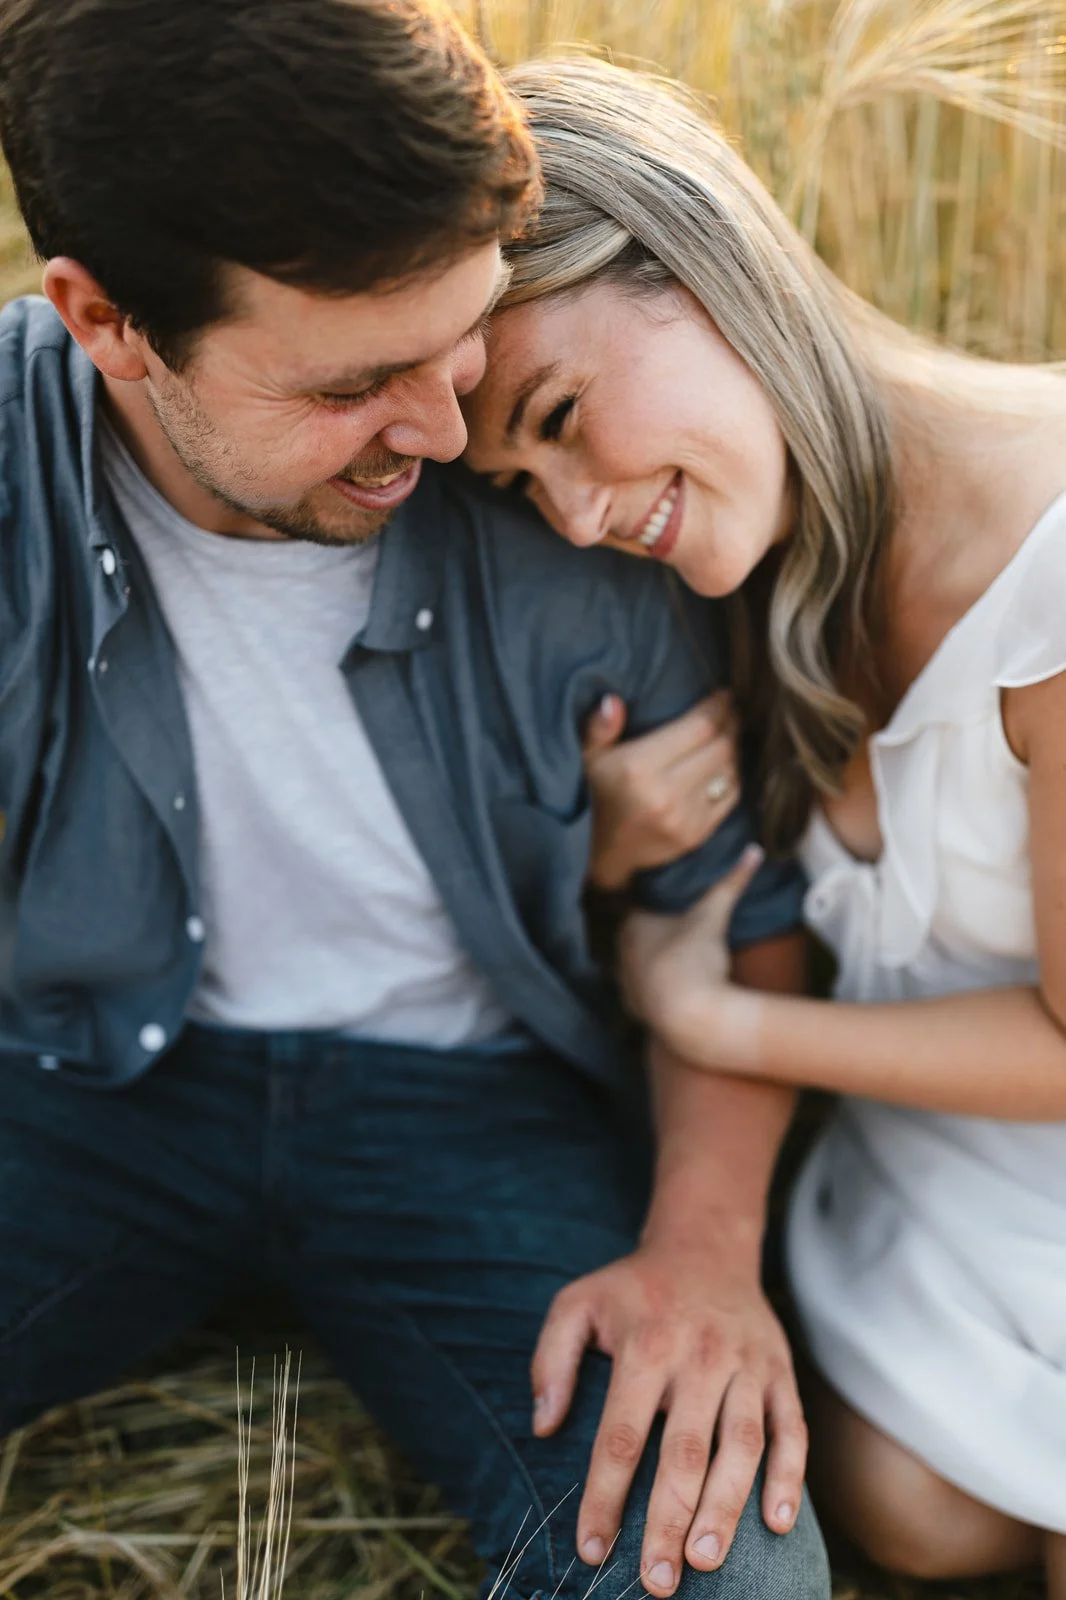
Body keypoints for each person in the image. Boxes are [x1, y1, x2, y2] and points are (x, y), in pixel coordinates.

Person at [0, 4, 832, 1597]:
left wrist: (701, 1250)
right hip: (76, 1082)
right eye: (357, 386)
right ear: (107, 322)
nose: (448, 439)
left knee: (713, 1575)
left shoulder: (572, 490)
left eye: (459, 349)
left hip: (479, 1112)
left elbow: (736, 916)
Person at [462, 53, 1066, 1598]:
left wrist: (715, 1017)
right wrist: (605, 868)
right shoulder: (732, 559)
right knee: (918, 1515)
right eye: (522, 484)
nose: (578, 516)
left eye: (560, 417)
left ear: (696, 259)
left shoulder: (1045, 567)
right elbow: (704, 895)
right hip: (929, 1152)